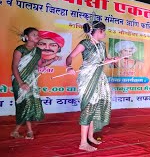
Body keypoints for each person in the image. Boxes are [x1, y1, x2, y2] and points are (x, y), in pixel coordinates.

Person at [66, 21, 120, 152]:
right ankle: (83, 143)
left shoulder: (102, 45)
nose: (104, 33)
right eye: (102, 31)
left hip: (99, 78)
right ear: (95, 31)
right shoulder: (84, 44)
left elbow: (103, 61)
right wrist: (69, 67)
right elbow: (70, 57)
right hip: (87, 78)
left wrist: (113, 59)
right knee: (89, 106)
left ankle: (90, 136)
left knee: (95, 106)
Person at [11, 27, 59, 139]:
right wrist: (21, 83)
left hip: (32, 80)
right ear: (27, 37)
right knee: (25, 104)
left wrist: (53, 59)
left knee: (30, 104)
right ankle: (22, 131)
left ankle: (27, 131)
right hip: (20, 80)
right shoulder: (20, 49)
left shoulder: (37, 50)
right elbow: (14, 67)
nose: (37, 36)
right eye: (34, 34)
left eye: (38, 34)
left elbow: (40, 65)